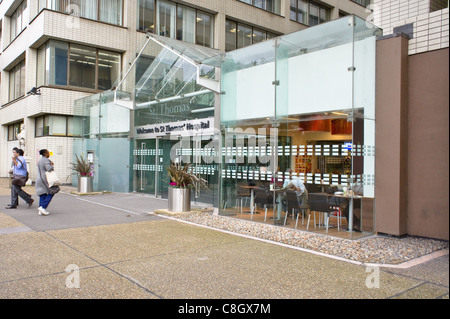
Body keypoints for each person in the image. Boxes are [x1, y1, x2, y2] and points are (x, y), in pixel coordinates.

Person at [35, 149, 55, 216]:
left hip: (39, 178)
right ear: (45, 154)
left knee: (42, 194)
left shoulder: (40, 160)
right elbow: (48, 168)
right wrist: (52, 165)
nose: (49, 154)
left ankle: (41, 210)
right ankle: (43, 207)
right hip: (45, 179)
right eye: (48, 153)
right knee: (52, 191)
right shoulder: (46, 160)